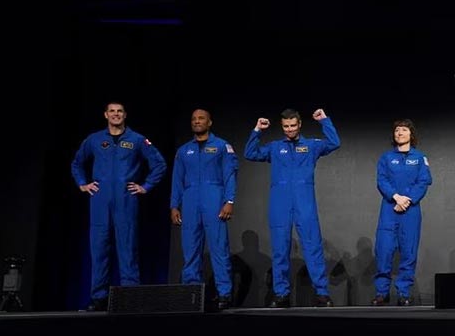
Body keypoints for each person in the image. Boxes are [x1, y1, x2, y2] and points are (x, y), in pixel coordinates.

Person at [71, 101, 167, 311]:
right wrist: (82, 183)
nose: (116, 114)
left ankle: (130, 297)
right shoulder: (95, 139)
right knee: (99, 250)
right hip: (100, 200)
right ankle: (99, 298)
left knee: (127, 249)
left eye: (119, 111)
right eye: (112, 111)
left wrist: (146, 186)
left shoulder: (137, 140)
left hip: (126, 200)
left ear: (125, 115)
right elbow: (77, 162)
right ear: (105, 115)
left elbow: (159, 164)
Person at [244, 108, 340, 308]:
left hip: (304, 201)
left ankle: (322, 293)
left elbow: (334, 143)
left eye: (293, 126)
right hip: (280, 202)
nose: (289, 130)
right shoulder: (274, 147)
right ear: (282, 126)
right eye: (286, 126)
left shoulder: (311, 145)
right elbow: (250, 153)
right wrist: (257, 130)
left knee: (313, 246)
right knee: (280, 249)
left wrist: (324, 120)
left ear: (299, 125)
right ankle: (282, 294)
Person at [170, 109, 239, 311]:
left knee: (219, 249)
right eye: (193, 119)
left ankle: (224, 294)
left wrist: (229, 200)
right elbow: (177, 180)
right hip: (190, 200)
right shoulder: (183, 151)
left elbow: (230, 175)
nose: (197, 121)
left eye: (201, 118)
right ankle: (191, 293)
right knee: (190, 250)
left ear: (210, 122)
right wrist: (174, 205)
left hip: (214, 197)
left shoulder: (221, 146)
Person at [371, 119, 433, 306]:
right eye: (397, 130)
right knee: (383, 251)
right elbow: (381, 181)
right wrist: (396, 197)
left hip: (410, 211)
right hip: (390, 209)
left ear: (411, 134)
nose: (400, 133)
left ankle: (403, 293)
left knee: (408, 252)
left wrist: (408, 200)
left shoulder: (420, 157)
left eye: (404, 130)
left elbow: (424, 181)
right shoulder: (386, 158)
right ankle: (382, 293)